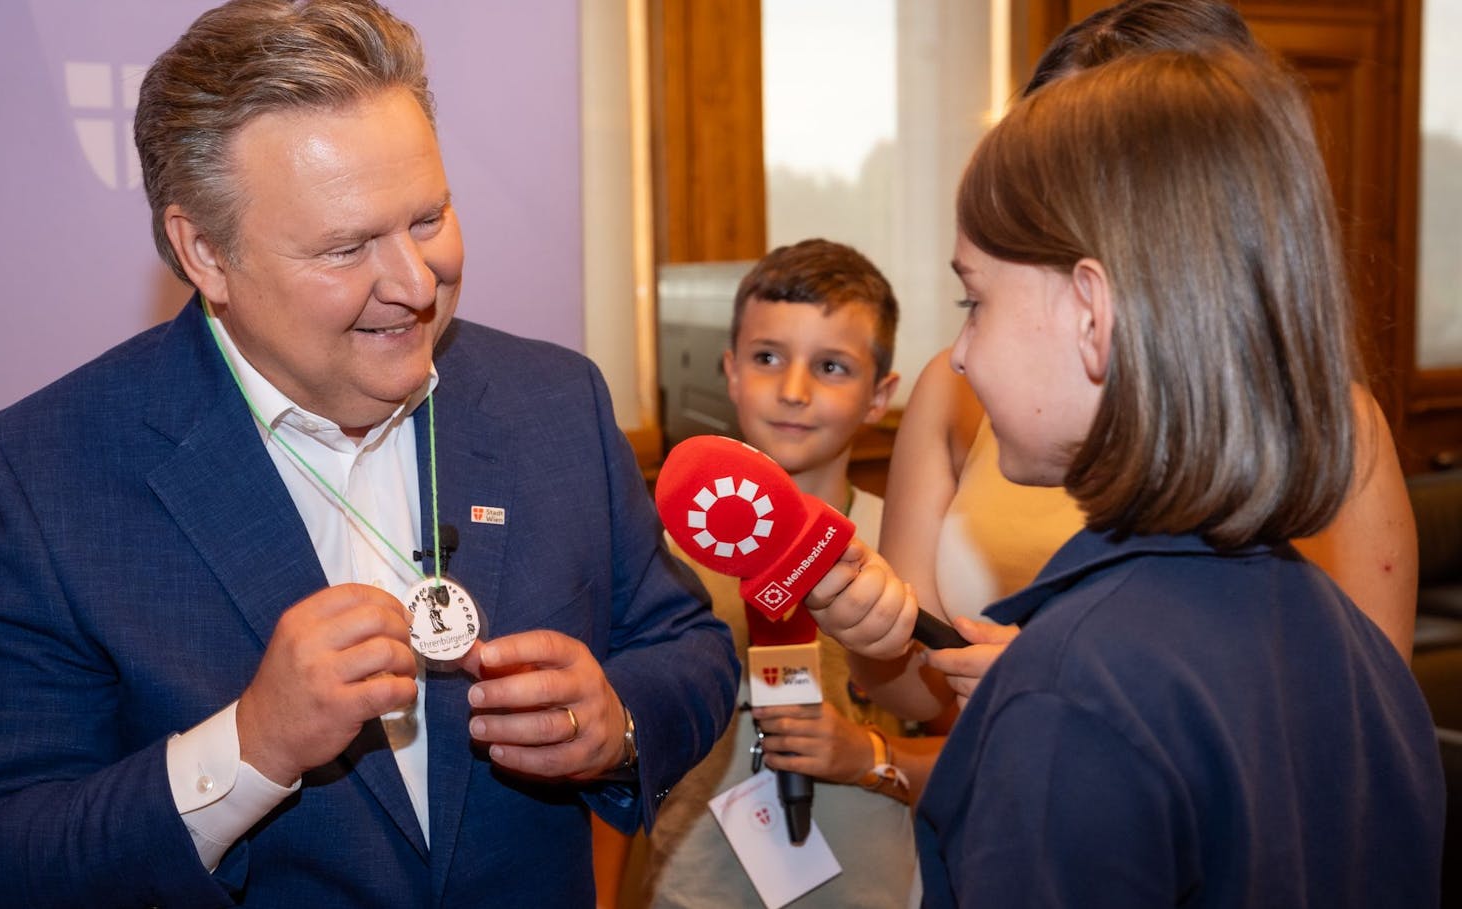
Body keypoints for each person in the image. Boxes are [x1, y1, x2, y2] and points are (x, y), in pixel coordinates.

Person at [0, 2, 738, 907]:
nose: (417, 286)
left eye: (428, 219)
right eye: (347, 247)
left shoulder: (554, 400)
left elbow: (685, 643)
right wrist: (250, 747)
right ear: (205, 253)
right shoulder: (49, 472)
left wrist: (614, 722)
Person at [809, 48, 1443, 906]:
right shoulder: (1347, 646)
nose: (958, 355)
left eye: (975, 302)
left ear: (1093, 318)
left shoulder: (1074, 695)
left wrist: (1051, 707)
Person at [866, 0, 1418, 724]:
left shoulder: (1337, 435)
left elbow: (1355, 742)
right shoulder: (968, 385)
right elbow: (920, 699)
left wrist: (1070, 691)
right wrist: (876, 637)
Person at [614, 239, 939, 908]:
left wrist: (868, 754)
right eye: (768, 358)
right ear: (730, 371)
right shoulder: (660, 548)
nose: (794, 390)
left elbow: (983, 754)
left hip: (872, 887)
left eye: (831, 366)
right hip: (695, 888)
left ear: (880, 395)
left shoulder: (904, 548)